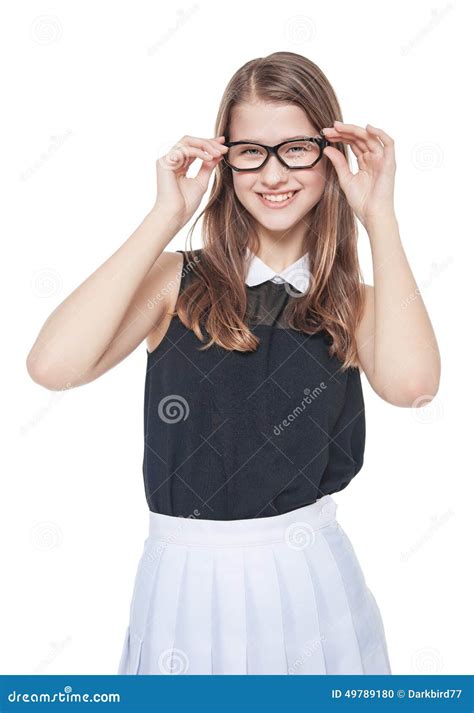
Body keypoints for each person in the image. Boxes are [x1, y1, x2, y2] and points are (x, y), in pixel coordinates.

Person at [26, 51, 441, 675]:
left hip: (311, 582)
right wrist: (167, 213)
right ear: (225, 160)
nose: (273, 174)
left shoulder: (352, 303)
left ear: (332, 155)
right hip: (183, 585)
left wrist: (379, 214)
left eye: (296, 148)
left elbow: (414, 386)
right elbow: (52, 366)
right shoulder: (175, 281)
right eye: (251, 151)